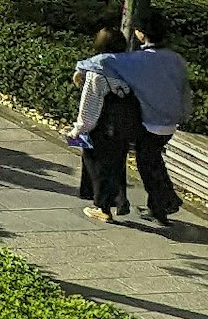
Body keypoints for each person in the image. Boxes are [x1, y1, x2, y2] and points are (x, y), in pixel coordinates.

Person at [112, 12, 189, 227]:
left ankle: (162, 205)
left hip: (149, 123)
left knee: (147, 164)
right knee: (152, 160)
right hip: (171, 122)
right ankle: (164, 201)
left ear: (140, 34)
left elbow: (107, 64)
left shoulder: (139, 60)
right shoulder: (176, 59)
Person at [71, 24, 151, 221]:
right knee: (117, 163)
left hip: (103, 127)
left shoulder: (96, 72)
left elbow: (89, 106)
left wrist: (79, 129)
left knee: (96, 163)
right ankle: (121, 201)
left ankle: (102, 207)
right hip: (126, 125)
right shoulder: (132, 67)